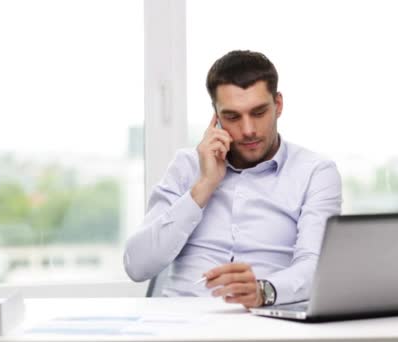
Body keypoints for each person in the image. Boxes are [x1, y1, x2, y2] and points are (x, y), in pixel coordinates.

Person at [124, 50, 342, 308]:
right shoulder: (187, 166)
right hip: (181, 322)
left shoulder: (315, 172)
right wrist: (203, 187)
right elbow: (136, 266)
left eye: (259, 112)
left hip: (265, 321)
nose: (248, 130)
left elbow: (315, 266)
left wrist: (263, 291)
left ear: (278, 105)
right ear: (215, 117)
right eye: (233, 117)